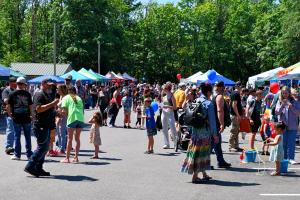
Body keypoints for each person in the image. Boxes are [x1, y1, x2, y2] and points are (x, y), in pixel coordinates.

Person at [181, 83, 219, 184]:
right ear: (208, 92)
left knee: (196, 151)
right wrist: (215, 134)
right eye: (211, 92)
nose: (211, 94)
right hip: (204, 132)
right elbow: (212, 121)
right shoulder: (209, 103)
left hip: (195, 131)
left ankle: (204, 174)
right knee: (201, 154)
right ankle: (195, 176)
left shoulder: (197, 100)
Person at [24, 78, 59, 177]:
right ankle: (30, 166)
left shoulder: (46, 94)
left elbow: (48, 109)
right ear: (43, 84)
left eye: (51, 85)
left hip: (45, 124)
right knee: (42, 147)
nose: (50, 87)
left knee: (45, 147)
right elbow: (39, 109)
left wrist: (56, 113)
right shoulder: (39, 94)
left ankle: (38, 168)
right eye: (48, 85)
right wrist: (53, 103)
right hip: (40, 125)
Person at [7, 77, 33, 160]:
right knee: (27, 136)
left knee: (17, 136)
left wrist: (10, 115)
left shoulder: (12, 93)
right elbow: (31, 106)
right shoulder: (27, 94)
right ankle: (29, 155)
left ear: (17, 83)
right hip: (26, 118)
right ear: (23, 84)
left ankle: (17, 155)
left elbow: (8, 106)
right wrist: (32, 115)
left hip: (16, 118)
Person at [275, 86, 300, 165]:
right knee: (283, 143)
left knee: (291, 143)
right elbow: (277, 113)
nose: (285, 94)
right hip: (283, 126)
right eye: (283, 93)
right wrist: (282, 105)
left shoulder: (295, 101)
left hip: (293, 125)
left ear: (289, 93)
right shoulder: (279, 101)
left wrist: (291, 106)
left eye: (286, 93)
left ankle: (291, 158)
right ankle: (284, 158)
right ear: (281, 93)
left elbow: (298, 112)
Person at [60, 87, 84, 163]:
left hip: (72, 118)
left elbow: (64, 111)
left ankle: (67, 158)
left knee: (70, 139)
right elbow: (82, 109)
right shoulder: (79, 98)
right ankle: (76, 157)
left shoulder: (66, 97)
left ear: (68, 91)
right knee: (77, 138)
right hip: (80, 118)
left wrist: (60, 116)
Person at [212, 81, 231, 168]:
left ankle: (221, 161)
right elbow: (220, 111)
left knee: (217, 143)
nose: (224, 89)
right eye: (223, 87)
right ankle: (205, 163)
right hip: (216, 123)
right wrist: (222, 124)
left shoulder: (212, 95)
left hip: (213, 122)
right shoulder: (219, 96)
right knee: (213, 143)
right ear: (221, 87)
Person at [2, 77, 17, 155]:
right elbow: (6, 101)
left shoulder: (17, 90)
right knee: (10, 130)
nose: (15, 84)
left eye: (16, 82)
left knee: (16, 131)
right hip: (9, 113)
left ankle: (15, 147)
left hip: (18, 113)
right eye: (14, 82)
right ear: (10, 83)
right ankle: (8, 147)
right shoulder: (6, 90)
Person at [161, 82, 177, 149]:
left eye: (164, 88)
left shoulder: (172, 96)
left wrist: (167, 106)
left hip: (170, 114)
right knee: (164, 129)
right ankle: (166, 144)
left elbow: (175, 107)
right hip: (164, 113)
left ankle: (176, 143)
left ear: (167, 89)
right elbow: (162, 105)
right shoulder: (164, 97)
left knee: (172, 128)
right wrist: (161, 106)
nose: (163, 89)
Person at [229, 81, 243, 152]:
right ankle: (231, 146)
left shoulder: (233, 93)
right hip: (235, 115)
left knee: (236, 131)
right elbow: (234, 105)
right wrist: (238, 115)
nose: (241, 87)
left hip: (234, 114)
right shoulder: (236, 94)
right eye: (240, 86)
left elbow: (231, 103)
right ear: (238, 86)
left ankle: (236, 146)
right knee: (234, 130)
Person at [55, 84, 68, 154]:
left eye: (58, 89)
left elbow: (65, 109)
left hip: (63, 116)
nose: (57, 90)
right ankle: (60, 146)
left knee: (62, 132)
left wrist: (60, 115)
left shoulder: (65, 97)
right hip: (59, 116)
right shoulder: (60, 96)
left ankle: (62, 148)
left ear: (61, 90)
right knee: (59, 132)